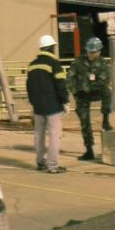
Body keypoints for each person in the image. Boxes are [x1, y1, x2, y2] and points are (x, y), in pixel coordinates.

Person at [25, 33, 69, 173]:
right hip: (53, 107)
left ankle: (40, 162)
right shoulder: (54, 64)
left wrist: (33, 103)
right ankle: (52, 165)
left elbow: (29, 87)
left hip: (38, 107)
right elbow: (60, 84)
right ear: (51, 48)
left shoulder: (32, 65)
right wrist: (65, 101)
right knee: (55, 136)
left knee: (39, 135)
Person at [67, 36, 112, 161]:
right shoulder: (78, 62)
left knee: (108, 93)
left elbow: (104, 81)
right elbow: (70, 78)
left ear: (99, 51)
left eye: (94, 52)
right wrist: (76, 92)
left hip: (96, 91)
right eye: (89, 51)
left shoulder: (103, 64)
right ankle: (89, 149)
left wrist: (91, 87)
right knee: (84, 121)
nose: (91, 54)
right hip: (82, 94)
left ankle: (106, 119)